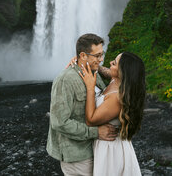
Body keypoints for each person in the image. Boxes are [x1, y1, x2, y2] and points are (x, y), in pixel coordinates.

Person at [46, 33, 118, 176]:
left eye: (102, 54)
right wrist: (96, 132)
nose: (101, 59)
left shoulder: (94, 72)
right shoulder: (65, 80)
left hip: (94, 149)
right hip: (77, 155)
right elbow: (59, 122)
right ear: (83, 56)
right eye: (97, 56)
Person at [79, 52, 146, 176]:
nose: (110, 63)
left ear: (122, 72)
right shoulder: (116, 80)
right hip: (110, 145)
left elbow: (91, 120)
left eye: (114, 63)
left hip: (111, 151)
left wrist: (90, 88)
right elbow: (104, 70)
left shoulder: (117, 97)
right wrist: (86, 62)